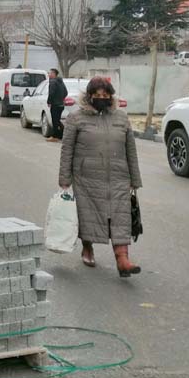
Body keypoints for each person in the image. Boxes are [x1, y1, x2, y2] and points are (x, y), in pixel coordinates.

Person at [58, 77, 143, 277]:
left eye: (105, 95)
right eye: (97, 95)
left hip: (119, 177)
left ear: (111, 96)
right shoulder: (76, 118)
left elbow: (131, 149)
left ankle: (122, 260)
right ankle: (87, 247)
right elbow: (66, 149)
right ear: (89, 96)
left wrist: (135, 179)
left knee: (120, 217)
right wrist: (64, 178)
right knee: (88, 215)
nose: (101, 98)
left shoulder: (121, 118)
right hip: (86, 178)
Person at [46, 68, 68, 142]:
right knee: (57, 120)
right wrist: (61, 99)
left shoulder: (53, 82)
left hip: (55, 104)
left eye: (50, 73)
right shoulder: (61, 81)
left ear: (53, 74)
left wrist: (49, 102)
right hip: (61, 105)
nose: (49, 74)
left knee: (55, 121)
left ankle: (55, 136)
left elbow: (51, 93)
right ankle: (63, 134)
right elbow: (66, 92)